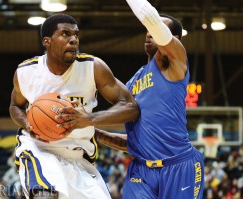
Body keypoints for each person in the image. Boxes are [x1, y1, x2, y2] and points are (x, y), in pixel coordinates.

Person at [59, 0, 205, 198]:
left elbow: (151, 20)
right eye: (147, 29)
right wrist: (89, 129)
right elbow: (134, 142)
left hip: (179, 165)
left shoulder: (175, 65)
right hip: (141, 172)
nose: (148, 32)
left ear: (175, 39)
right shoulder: (132, 83)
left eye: (154, 29)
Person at [9, 14, 139, 199]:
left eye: (76, 35)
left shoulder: (93, 67)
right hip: (38, 149)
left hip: (79, 156)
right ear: (47, 41)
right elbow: (15, 106)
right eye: (65, 34)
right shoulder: (26, 72)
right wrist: (27, 124)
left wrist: (89, 119)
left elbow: (130, 107)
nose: (73, 40)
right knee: (44, 194)